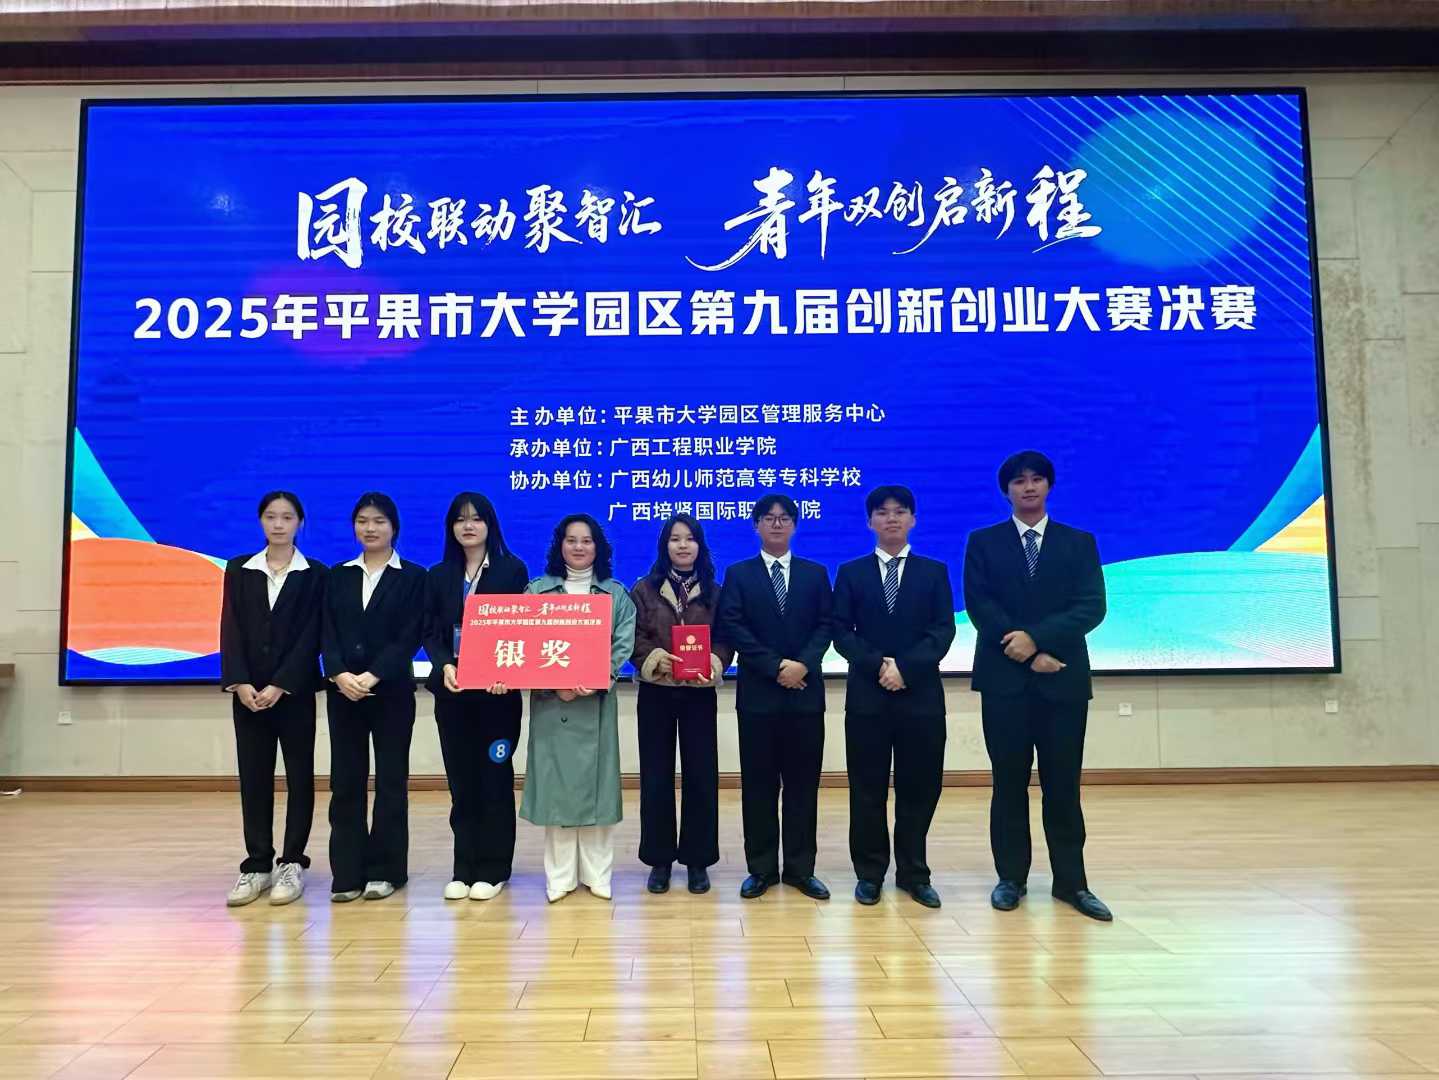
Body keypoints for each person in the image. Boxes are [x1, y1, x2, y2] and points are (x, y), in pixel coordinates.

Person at [962, 451, 1111, 921]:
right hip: (1004, 683)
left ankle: (1072, 883)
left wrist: (1039, 641)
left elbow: (1091, 606)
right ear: (1006, 490)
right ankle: (1011, 878)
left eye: (1037, 479)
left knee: (1063, 785)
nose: (1028, 487)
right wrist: (1025, 650)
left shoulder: (1078, 542)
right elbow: (980, 606)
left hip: (1062, 679)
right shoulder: (983, 542)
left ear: (1049, 486)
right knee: (1008, 783)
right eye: (1019, 481)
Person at [832, 485, 955, 909]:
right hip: (867, 698)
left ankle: (914, 873)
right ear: (870, 522)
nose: (891, 519)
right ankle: (869, 873)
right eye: (882, 513)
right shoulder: (851, 572)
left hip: (921, 698)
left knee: (919, 787)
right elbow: (840, 632)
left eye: (900, 511)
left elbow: (943, 631)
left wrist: (906, 668)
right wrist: (878, 667)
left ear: (913, 519)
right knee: (866, 788)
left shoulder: (933, 572)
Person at [716, 492, 833, 901]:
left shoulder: (815, 574)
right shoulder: (739, 574)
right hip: (758, 699)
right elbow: (733, 626)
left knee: (803, 787)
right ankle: (761, 869)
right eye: (769, 517)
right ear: (756, 526)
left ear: (795, 525)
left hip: (805, 697)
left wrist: (802, 665)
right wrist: (777, 667)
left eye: (784, 518)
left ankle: (801, 870)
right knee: (759, 787)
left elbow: (826, 626)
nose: (777, 524)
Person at [520, 514, 636, 903]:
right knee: (557, 791)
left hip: (595, 703)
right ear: (560, 546)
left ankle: (598, 874)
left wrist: (595, 678)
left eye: (587, 540)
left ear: (598, 547)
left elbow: (623, 643)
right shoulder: (537, 591)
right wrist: (556, 683)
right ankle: (560, 876)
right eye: (571, 540)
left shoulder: (615, 594)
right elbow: (524, 642)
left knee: (597, 791)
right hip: (552, 705)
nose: (579, 547)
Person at [219, 491, 327, 907]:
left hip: (294, 693)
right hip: (248, 695)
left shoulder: (315, 573)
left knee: (299, 778)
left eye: (287, 517)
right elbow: (230, 627)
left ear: (300, 522)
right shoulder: (239, 568)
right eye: (270, 516)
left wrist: (281, 683)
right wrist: (240, 683)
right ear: (261, 521)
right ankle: (257, 864)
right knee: (254, 778)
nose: (278, 524)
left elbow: (312, 635)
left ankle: (292, 861)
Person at [422, 492, 529, 902]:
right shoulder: (438, 574)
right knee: (461, 783)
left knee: (494, 780)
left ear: (490, 525)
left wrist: (506, 672)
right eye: (460, 519)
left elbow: (521, 629)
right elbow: (430, 630)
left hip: (497, 697)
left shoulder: (512, 570)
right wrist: (444, 665)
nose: (468, 526)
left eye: (476, 518)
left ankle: (494, 867)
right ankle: (463, 866)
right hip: (453, 694)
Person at [322, 491, 426, 903]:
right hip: (343, 693)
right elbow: (326, 631)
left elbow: (411, 634)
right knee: (345, 782)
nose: (370, 528)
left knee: (390, 782)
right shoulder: (338, 575)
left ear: (394, 527)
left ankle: (386, 871)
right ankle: (347, 873)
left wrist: (373, 674)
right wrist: (338, 673)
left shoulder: (413, 576)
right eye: (363, 521)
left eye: (379, 521)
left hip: (392, 693)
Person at [629, 513, 734, 896]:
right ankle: (659, 860)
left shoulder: (715, 591)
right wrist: (656, 659)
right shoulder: (643, 589)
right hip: (656, 693)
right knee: (655, 776)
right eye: (675, 539)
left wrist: (714, 662)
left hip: (698, 693)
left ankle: (697, 859)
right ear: (665, 546)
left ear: (700, 545)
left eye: (690, 538)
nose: (683, 545)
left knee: (701, 775)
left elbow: (726, 636)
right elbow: (633, 637)